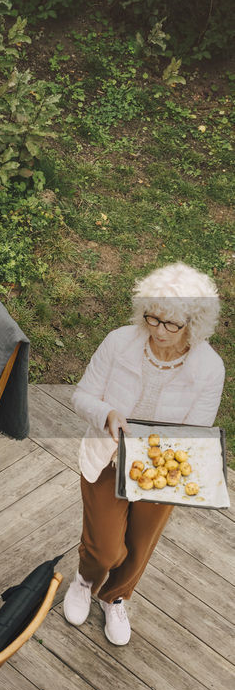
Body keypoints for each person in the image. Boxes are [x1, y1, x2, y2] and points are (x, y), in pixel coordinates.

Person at [64, 263, 224, 647]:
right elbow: (81, 395)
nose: (158, 331)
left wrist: (160, 454)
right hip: (106, 457)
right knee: (105, 549)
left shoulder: (209, 369)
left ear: (194, 324)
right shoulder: (120, 342)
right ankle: (86, 579)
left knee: (138, 548)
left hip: (161, 470)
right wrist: (106, 414)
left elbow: (194, 432)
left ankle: (115, 597)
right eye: (153, 318)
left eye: (172, 325)